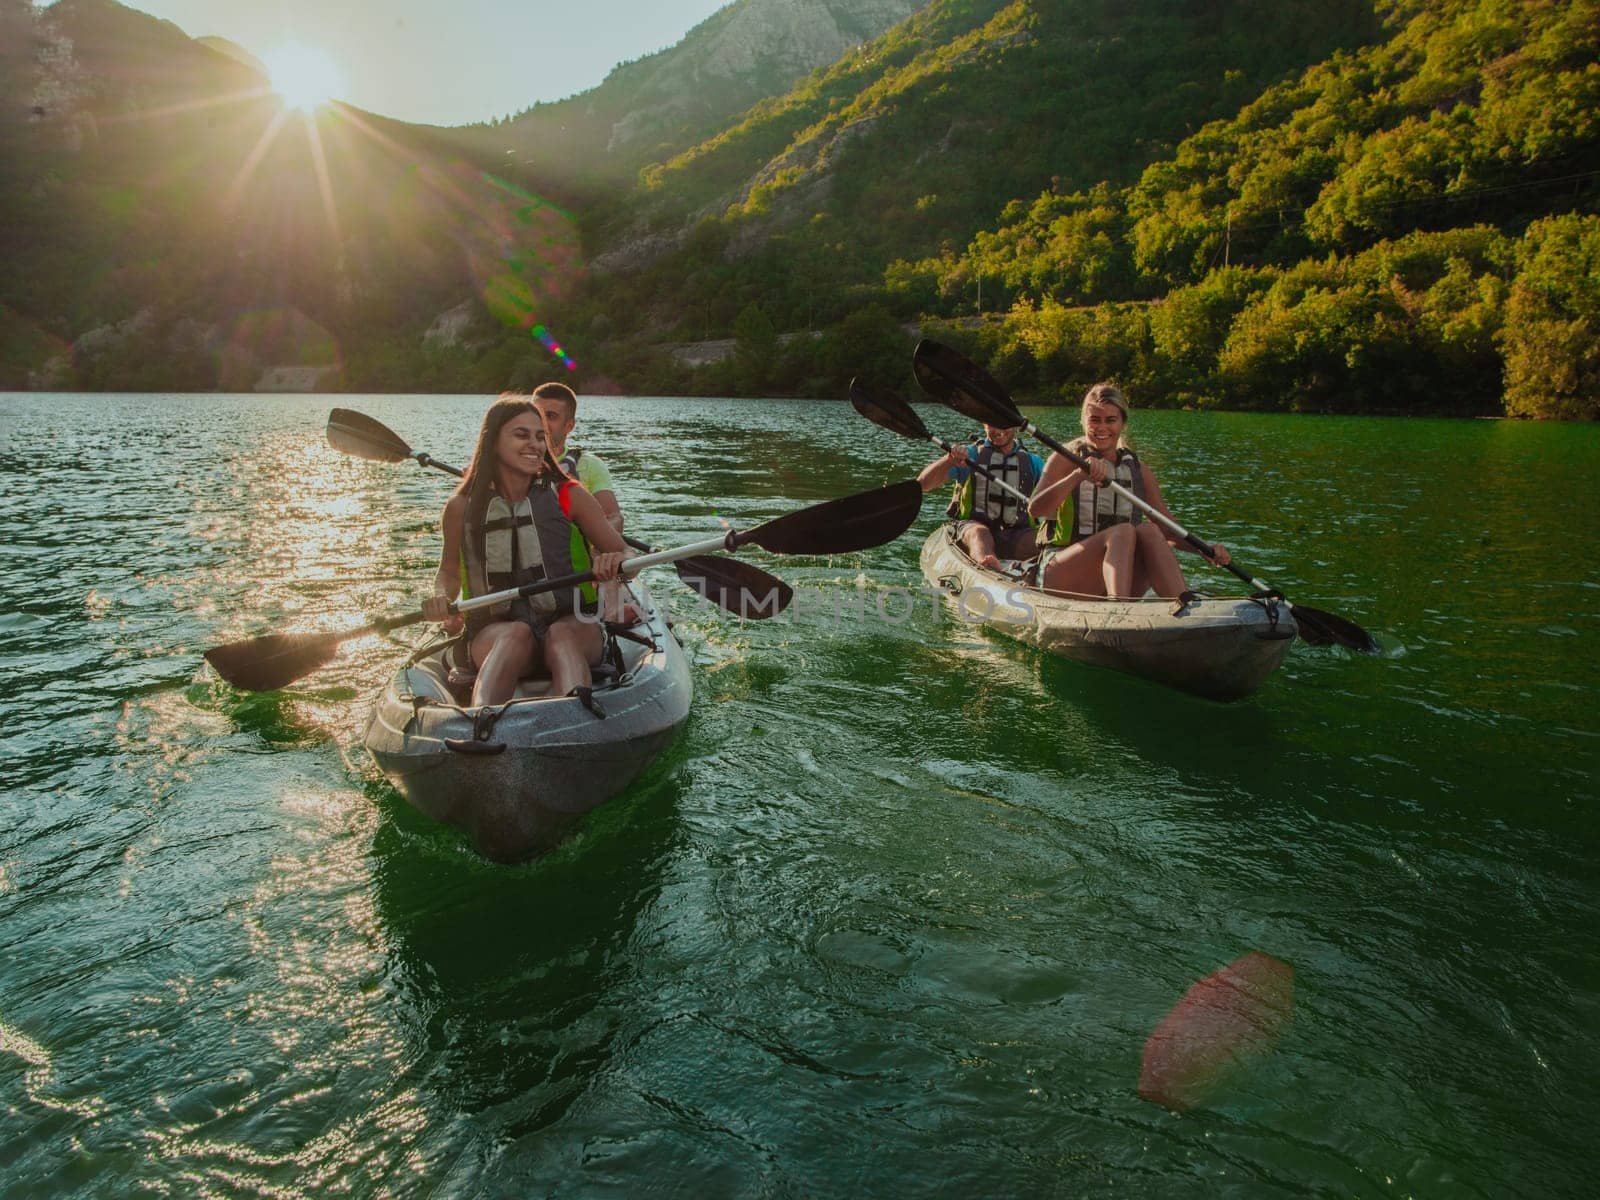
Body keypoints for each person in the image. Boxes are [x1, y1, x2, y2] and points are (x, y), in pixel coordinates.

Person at [421, 394, 629, 706]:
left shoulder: (570, 494)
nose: (534, 444)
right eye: (521, 435)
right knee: (514, 634)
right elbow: (448, 573)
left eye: (540, 436)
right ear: (492, 443)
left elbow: (629, 557)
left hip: (571, 623)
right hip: (494, 631)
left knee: (560, 635)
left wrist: (615, 560)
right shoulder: (460, 507)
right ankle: (482, 721)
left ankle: (575, 717)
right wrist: (440, 596)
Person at [1026, 382, 1229, 599]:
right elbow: (1035, 509)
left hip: (1116, 576)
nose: (1101, 428)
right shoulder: (1065, 458)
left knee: (1149, 531)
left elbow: (1168, 529)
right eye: (1094, 419)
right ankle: (1119, 605)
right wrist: (1076, 476)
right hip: (1061, 571)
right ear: (1083, 422)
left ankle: (1183, 604)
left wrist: (1204, 549)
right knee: (1122, 531)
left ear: (1123, 423)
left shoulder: (1137, 469)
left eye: (1110, 420)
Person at [918, 419, 1043, 569]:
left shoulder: (1033, 462)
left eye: (1004, 424)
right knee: (979, 533)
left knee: (1041, 541)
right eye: (991, 424)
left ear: (1015, 426)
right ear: (984, 424)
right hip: (972, 526)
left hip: (1017, 532)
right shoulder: (970, 455)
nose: (997, 431)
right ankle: (989, 566)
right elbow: (924, 485)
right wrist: (948, 460)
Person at [530, 381, 625, 534]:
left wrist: (602, 547)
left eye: (551, 416)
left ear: (569, 426)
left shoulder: (590, 465)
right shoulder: (516, 463)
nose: (542, 423)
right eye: (536, 414)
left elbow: (614, 517)